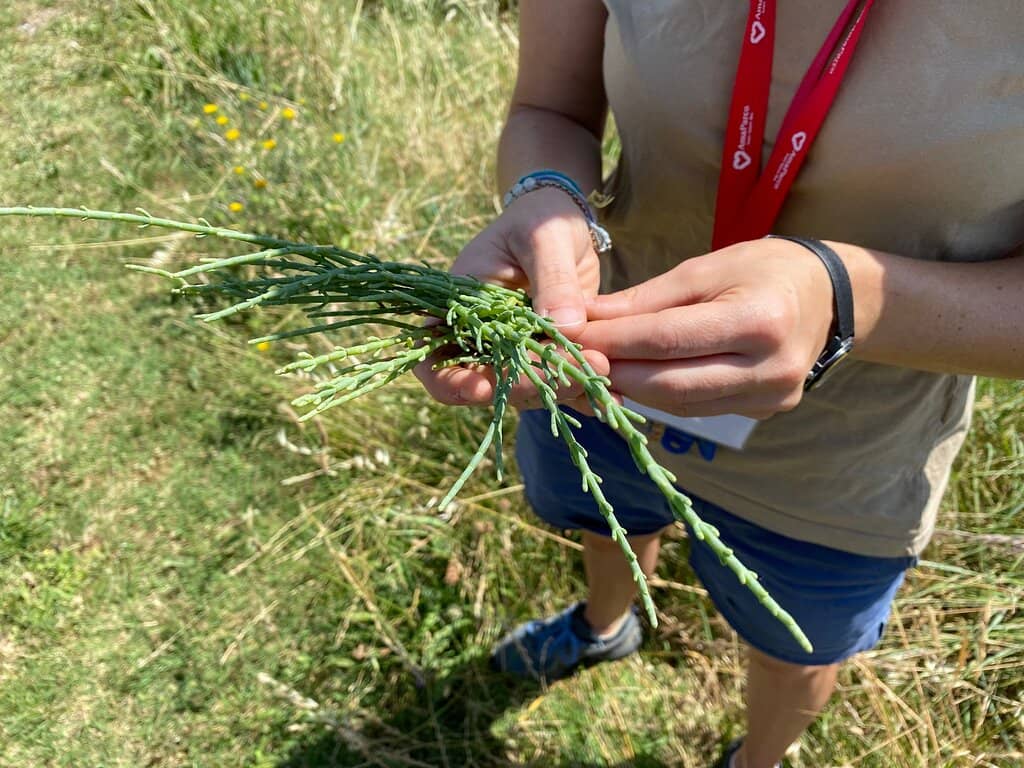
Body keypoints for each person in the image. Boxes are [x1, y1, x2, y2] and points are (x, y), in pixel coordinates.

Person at [417, 2, 1024, 767]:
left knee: (792, 651)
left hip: (844, 460)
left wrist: (843, 299)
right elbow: (550, 105)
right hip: (595, 375)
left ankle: (756, 760)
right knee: (609, 522)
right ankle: (603, 628)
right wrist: (545, 198)